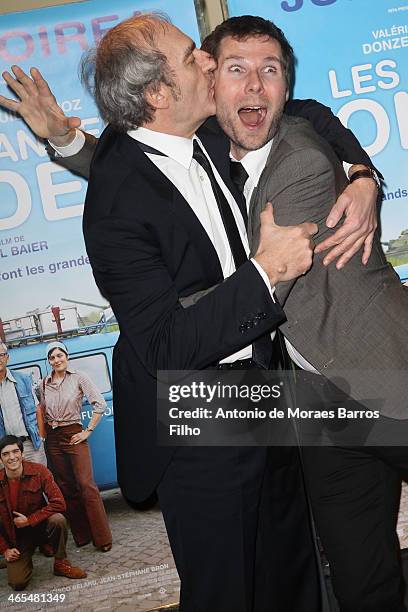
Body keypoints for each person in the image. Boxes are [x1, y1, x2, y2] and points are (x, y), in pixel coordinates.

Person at [0, 14, 378, 612]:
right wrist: (267, 270)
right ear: (157, 93)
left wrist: (362, 175)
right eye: (192, 58)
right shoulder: (113, 207)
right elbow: (164, 345)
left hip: (267, 389)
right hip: (198, 412)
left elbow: (310, 114)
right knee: (229, 587)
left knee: (294, 573)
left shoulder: (193, 133)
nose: (208, 61)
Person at [199, 16, 408, 612]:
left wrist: (363, 174)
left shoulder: (304, 159)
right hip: (319, 409)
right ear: (210, 82)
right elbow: (144, 163)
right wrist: (70, 142)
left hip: (384, 371)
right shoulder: (205, 154)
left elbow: (267, 286)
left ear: (287, 86)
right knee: (360, 578)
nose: (256, 86)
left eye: (272, 70)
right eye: (237, 69)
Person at [37, 341, 112, 552]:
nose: (56, 360)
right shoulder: (43, 384)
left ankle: (103, 538)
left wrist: (87, 431)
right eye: (52, 358)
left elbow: (100, 403)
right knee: (65, 486)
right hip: (53, 438)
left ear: (66, 356)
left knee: (86, 484)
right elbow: (39, 409)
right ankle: (82, 535)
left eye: (59, 355)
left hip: (74, 433)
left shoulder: (79, 377)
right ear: (49, 361)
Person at [0, 435, 86, 590]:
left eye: (15, 452)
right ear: (0, 459)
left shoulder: (39, 471)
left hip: (41, 528)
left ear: (22, 453)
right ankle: (16, 559)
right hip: (18, 539)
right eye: (6, 454)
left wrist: (30, 520)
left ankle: (60, 562)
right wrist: (5, 549)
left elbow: (59, 503)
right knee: (18, 583)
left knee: (58, 519)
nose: (12, 457)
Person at [0, 341, 46, 465]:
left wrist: (41, 437)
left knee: (38, 480)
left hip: (30, 444)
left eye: (1, 355)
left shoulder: (23, 379)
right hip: (5, 448)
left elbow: (37, 409)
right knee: (11, 484)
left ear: (7, 357)